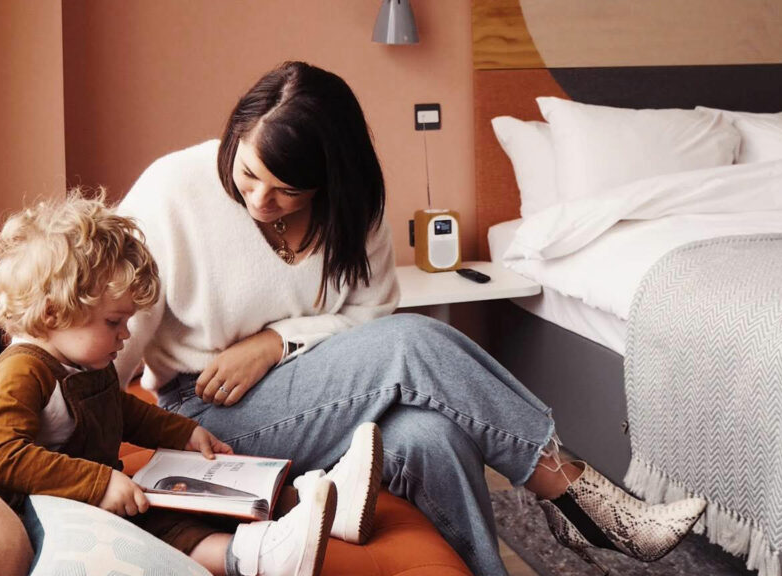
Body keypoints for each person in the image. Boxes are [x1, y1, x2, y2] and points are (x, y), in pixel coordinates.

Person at [115, 61, 706, 575]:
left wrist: (277, 341)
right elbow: (113, 333)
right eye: (247, 175)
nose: (259, 201)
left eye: (287, 190)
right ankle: (580, 499)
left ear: (328, 181)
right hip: (210, 413)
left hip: (323, 390)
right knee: (413, 344)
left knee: (433, 436)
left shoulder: (354, 206)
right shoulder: (173, 192)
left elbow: (371, 310)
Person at [0, 194, 383, 576]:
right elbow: (4, 456)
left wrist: (182, 432)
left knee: (190, 490)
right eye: (115, 322)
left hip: (84, 486)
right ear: (55, 314)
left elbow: (122, 410)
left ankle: (323, 503)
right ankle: (256, 558)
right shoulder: (22, 371)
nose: (126, 335)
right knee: (158, 520)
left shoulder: (83, 359)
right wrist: (98, 484)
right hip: (30, 505)